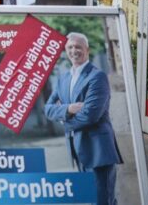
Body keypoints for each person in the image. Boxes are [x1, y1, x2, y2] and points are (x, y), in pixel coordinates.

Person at [45, 32, 123, 205]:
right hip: (77, 149)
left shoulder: (97, 76)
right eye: (70, 47)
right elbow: (48, 109)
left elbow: (90, 115)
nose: (74, 50)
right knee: (90, 198)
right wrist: (69, 109)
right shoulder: (63, 78)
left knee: (103, 200)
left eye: (78, 47)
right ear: (66, 50)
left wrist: (63, 120)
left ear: (87, 50)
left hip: (98, 150)